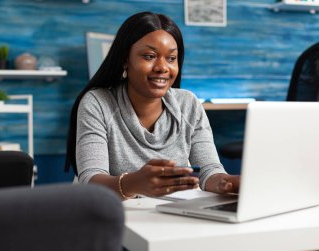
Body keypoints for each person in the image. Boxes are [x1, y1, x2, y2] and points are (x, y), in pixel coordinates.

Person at [65, 11, 240, 200]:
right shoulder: (98, 102)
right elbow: (90, 181)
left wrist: (227, 182)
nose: (162, 67)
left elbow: (209, 171)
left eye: (171, 58)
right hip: (113, 217)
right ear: (125, 59)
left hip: (171, 216)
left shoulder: (188, 103)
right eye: (149, 56)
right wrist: (134, 183)